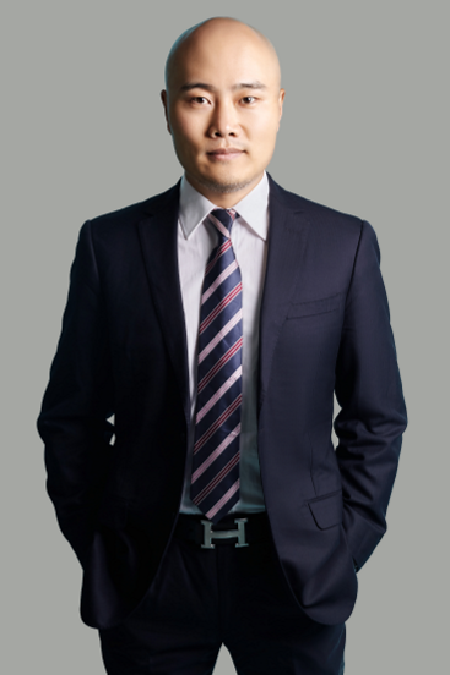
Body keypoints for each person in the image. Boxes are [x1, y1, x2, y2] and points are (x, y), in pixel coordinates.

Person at [38, 16, 407, 675]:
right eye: (199, 98)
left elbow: (376, 417)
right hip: (151, 568)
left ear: (280, 106)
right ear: (167, 108)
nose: (224, 123)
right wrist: (99, 542)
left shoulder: (343, 245)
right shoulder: (109, 246)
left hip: (295, 569)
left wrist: (342, 546)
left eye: (247, 97)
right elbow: (72, 416)